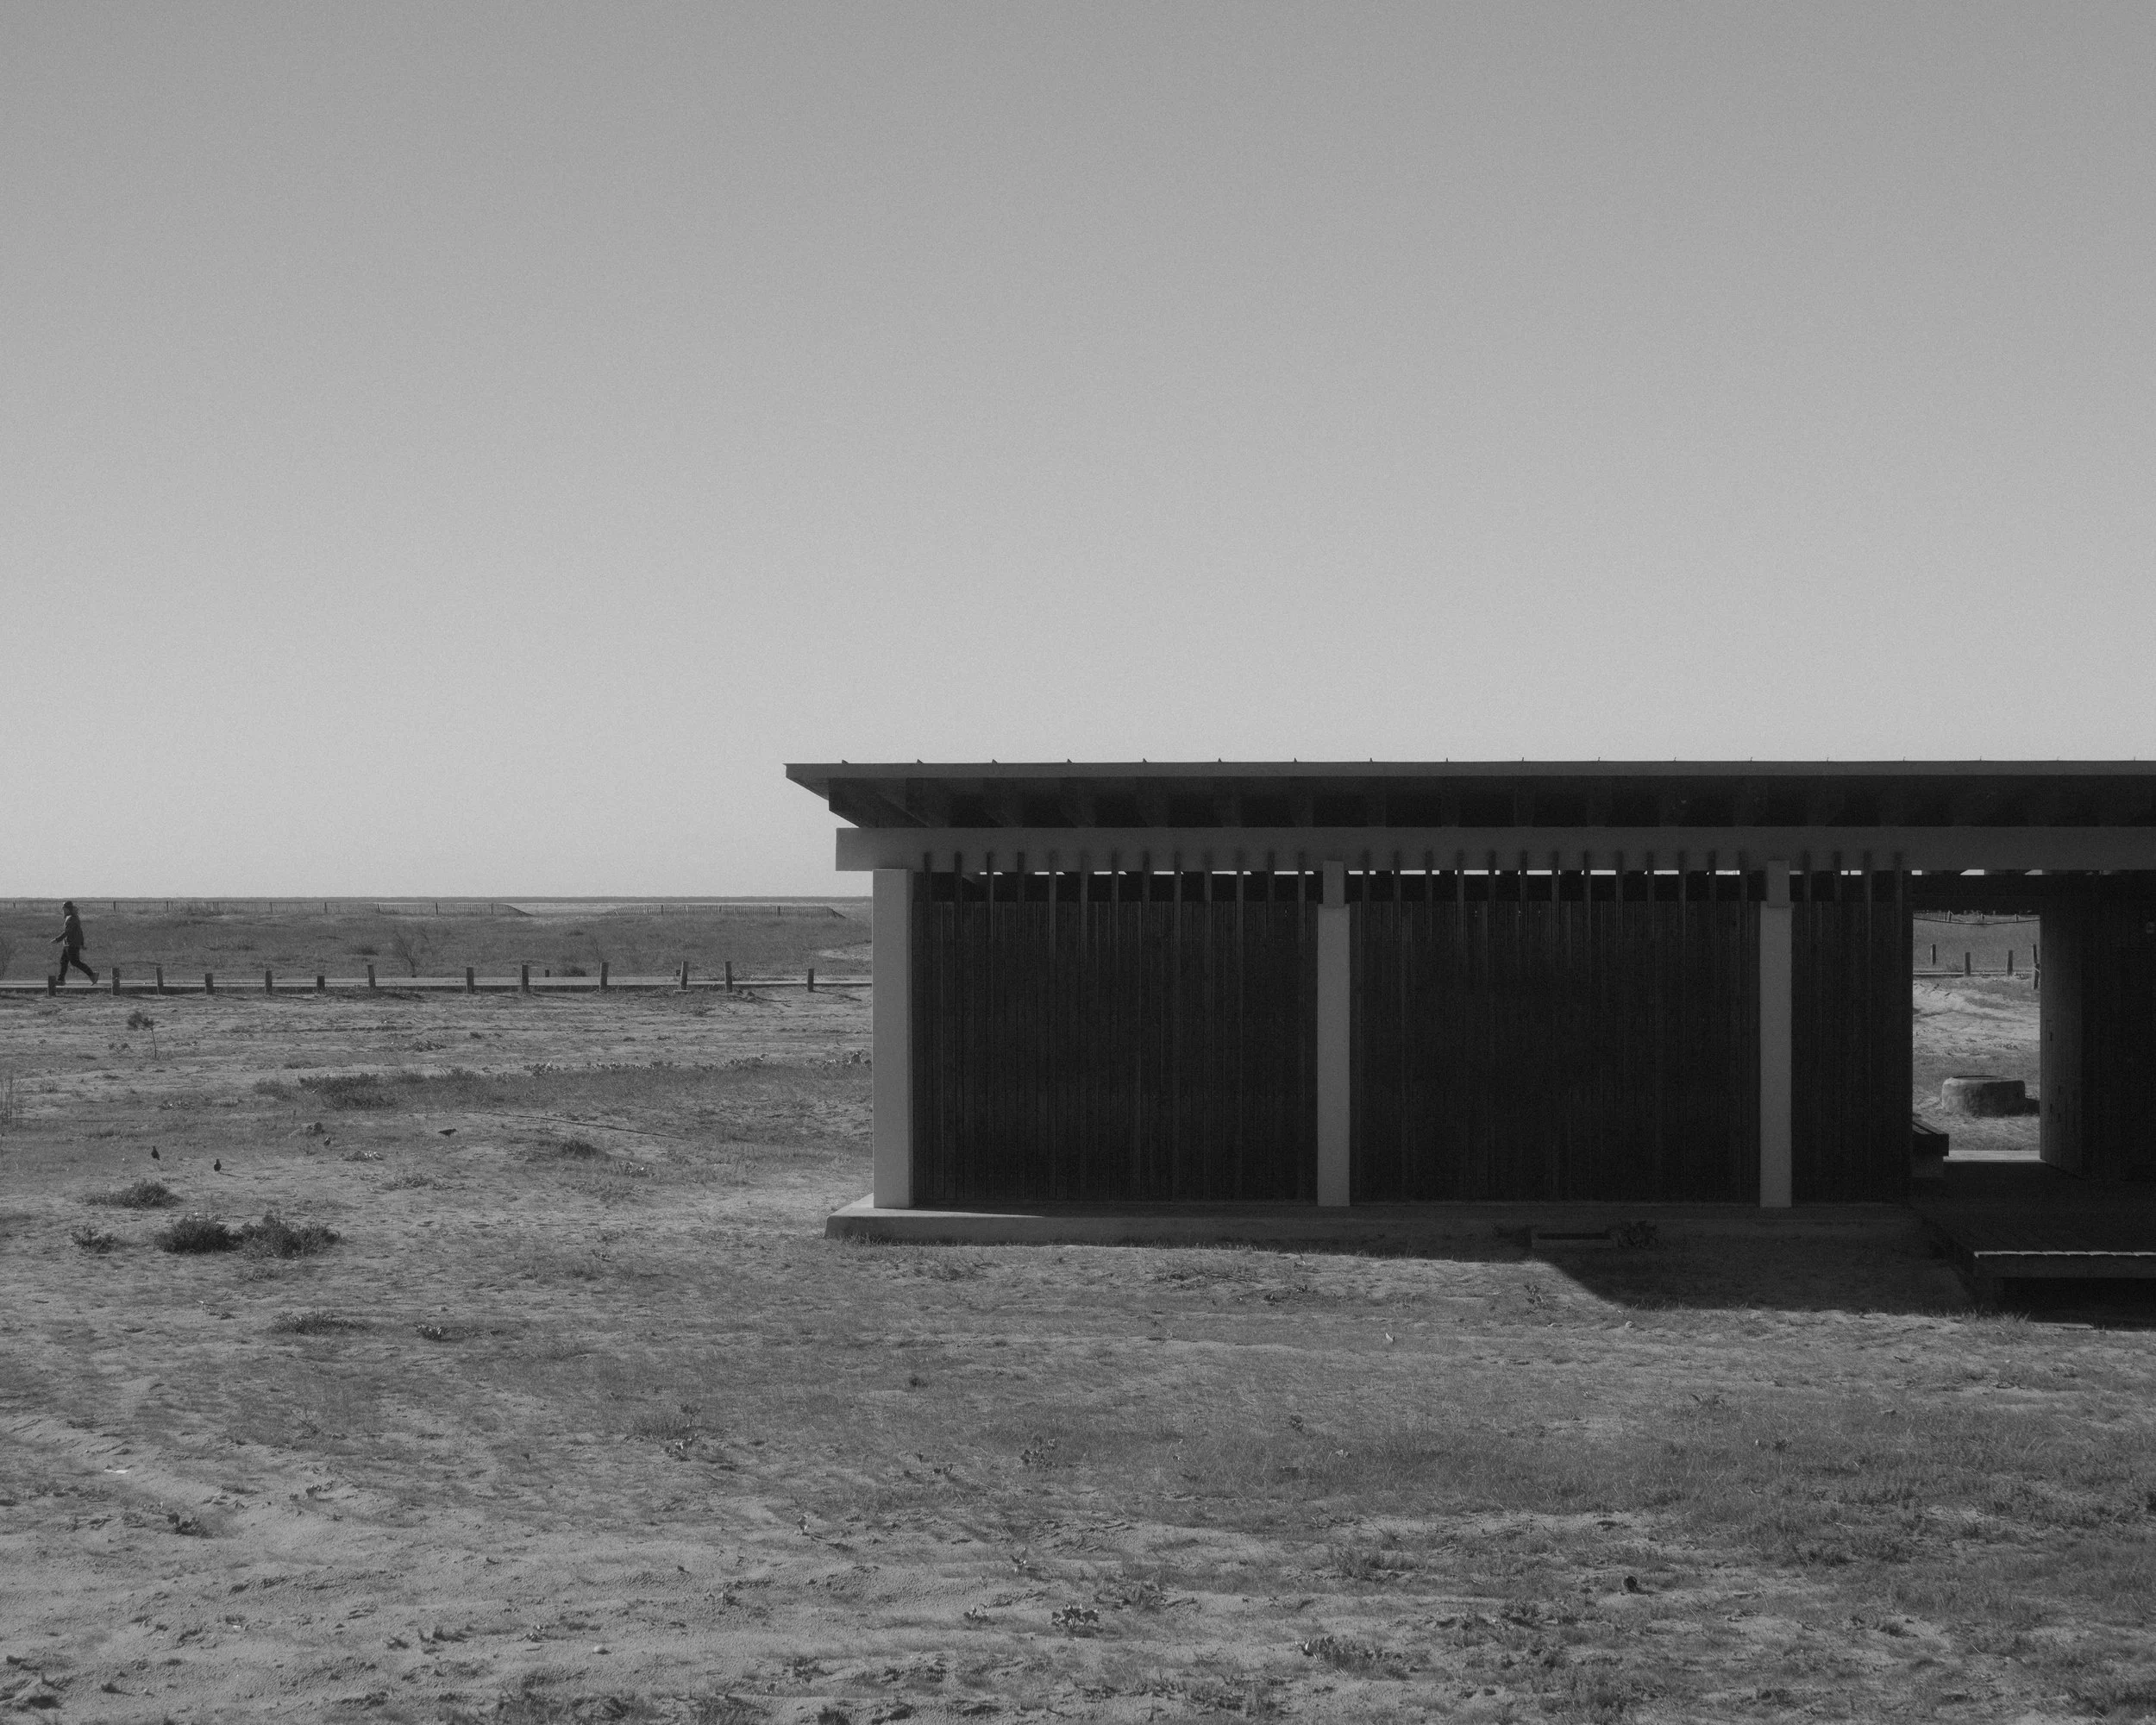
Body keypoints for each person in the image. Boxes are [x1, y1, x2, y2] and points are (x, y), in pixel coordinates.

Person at [52, 900, 97, 985]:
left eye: (64, 908)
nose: (63, 910)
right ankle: (61, 980)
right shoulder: (70, 917)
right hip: (68, 944)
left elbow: (68, 932)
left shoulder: (72, 918)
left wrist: (58, 939)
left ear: (69, 909)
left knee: (75, 962)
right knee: (63, 961)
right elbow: (80, 932)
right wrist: (82, 944)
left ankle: (92, 975)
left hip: (72, 944)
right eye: (63, 908)